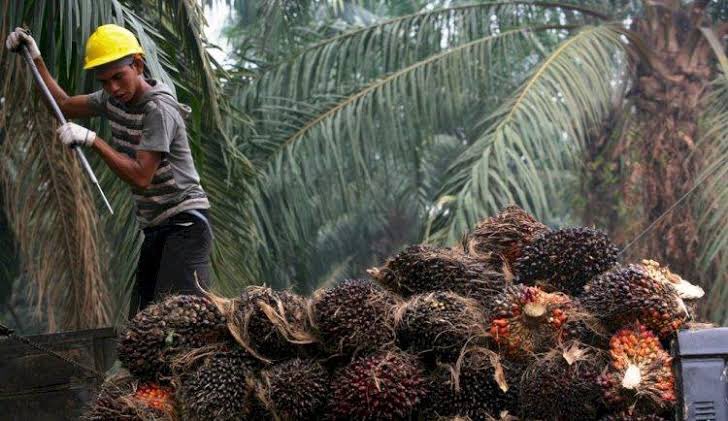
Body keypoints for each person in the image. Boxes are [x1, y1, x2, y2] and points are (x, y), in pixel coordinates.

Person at [5, 24, 213, 318]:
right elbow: (63, 105)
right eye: (104, 82)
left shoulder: (158, 109)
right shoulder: (112, 99)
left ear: (137, 65)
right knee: (142, 323)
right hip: (156, 227)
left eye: (118, 77)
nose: (113, 88)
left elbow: (141, 177)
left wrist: (94, 140)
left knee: (183, 319)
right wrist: (35, 58)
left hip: (186, 223)